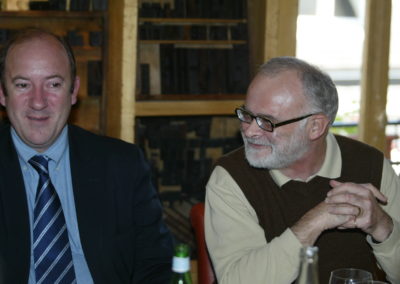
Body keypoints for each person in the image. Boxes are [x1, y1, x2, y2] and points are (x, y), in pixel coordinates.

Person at [204, 56, 400, 284]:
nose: (249, 131)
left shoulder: (370, 165)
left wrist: (381, 226)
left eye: (266, 121)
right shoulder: (231, 177)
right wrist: (316, 220)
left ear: (315, 126)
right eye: (247, 115)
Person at [0, 28, 174, 283]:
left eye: (54, 84)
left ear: (74, 91)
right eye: (23, 85)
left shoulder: (122, 165)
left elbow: (156, 263)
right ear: (3, 94)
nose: (38, 102)